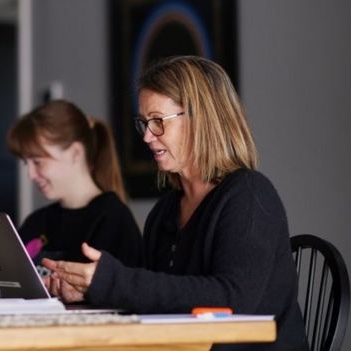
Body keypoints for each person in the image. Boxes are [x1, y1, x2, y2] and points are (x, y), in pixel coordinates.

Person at [42, 56, 308, 350]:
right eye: (144, 122)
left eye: (157, 121)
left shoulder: (249, 195)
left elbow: (232, 298)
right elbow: (157, 299)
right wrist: (90, 292)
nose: (146, 136)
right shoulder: (165, 211)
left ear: (202, 119)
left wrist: (113, 282)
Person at [0, 100, 142, 288]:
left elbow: (122, 294)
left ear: (75, 153)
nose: (30, 174)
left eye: (37, 161)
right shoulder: (38, 222)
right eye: (26, 163)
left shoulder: (113, 220)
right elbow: (6, 278)